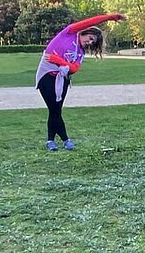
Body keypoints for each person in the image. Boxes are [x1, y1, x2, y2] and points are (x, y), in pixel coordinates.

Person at [35, 12, 126, 151]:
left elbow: (74, 68)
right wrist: (110, 17)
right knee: (54, 110)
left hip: (63, 78)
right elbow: (90, 21)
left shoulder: (80, 52)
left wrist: (59, 61)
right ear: (85, 32)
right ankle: (65, 140)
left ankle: (51, 141)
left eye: (92, 42)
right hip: (47, 74)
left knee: (56, 110)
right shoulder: (69, 33)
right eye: (90, 38)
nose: (89, 42)